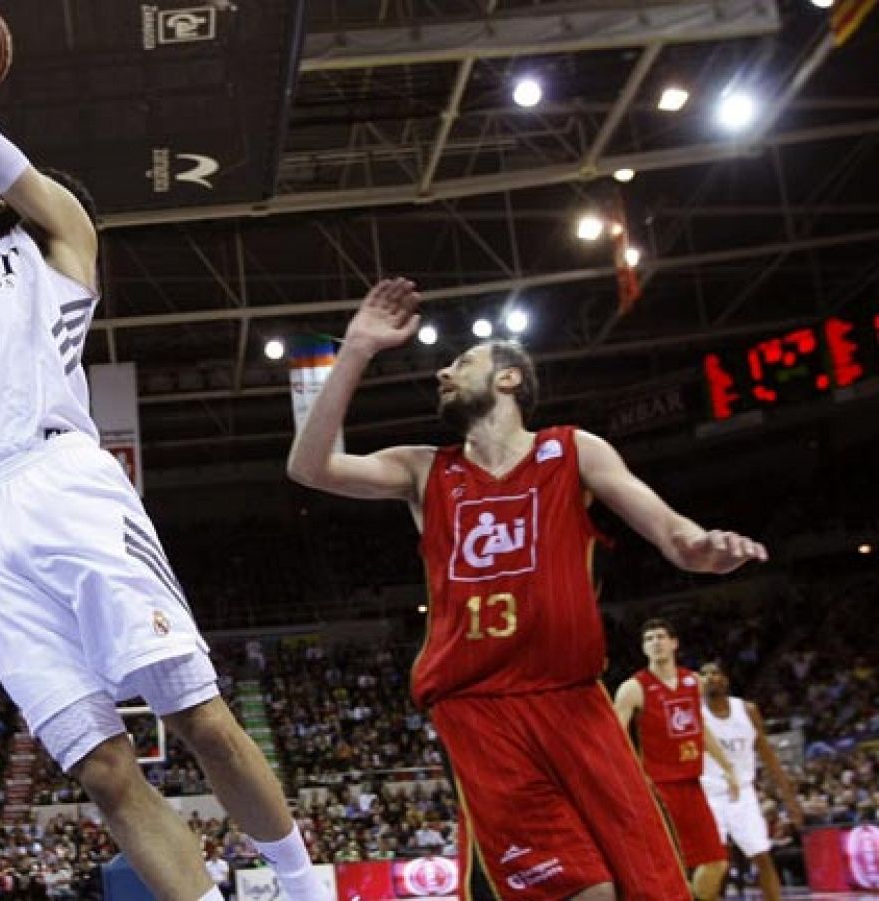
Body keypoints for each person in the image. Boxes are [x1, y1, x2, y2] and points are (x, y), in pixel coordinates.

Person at [0, 18, 332, 901]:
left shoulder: (68, 234)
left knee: (198, 716)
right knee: (104, 771)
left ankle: (306, 887)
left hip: (59, 483)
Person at [285, 279, 769, 901]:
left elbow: (672, 533)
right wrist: (354, 349)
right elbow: (310, 466)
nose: (442, 374)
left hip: (575, 701)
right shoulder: (425, 469)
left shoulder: (574, 450)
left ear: (509, 378)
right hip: (481, 706)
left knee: (653, 889)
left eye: (461, 363)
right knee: (579, 892)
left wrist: (702, 548)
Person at [613, 620, 737, 901]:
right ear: (644, 648)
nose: (655, 642)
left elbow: (700, 728)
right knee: (667, 866)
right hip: (657, 788)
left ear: (674, 643)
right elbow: (615, 740)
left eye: (660, 636)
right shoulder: (633, 688)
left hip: (692, 784)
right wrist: (630, 780)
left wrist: (727, 766)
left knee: (717, 862)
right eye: (649, 639)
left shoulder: (693, 681)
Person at [697, 659, 804, 901]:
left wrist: (790, 800)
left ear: (726, 680)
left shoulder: (746, 710)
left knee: (762, 856)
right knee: (717, 863)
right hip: (709, 794)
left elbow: (769, 757)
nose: (710, 677)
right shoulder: (694, 713)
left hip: (743, 794)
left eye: (715, 672)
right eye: (704, 674)